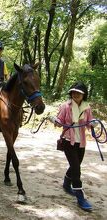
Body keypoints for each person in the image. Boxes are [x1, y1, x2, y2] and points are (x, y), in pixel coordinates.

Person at [49, 81, 97, 211]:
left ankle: (66, 183)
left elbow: (89, 122)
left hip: (80, 142)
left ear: (84, 95)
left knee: (76, 165)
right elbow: (60, 122)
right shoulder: (65, 106)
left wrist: (93, 123)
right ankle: (80, 197)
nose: (76, 94)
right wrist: (55, 120)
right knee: (76, 169)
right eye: (74, 92)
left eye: (79, 93)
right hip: (68, 141)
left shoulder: (87, 107)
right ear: (71, 93)